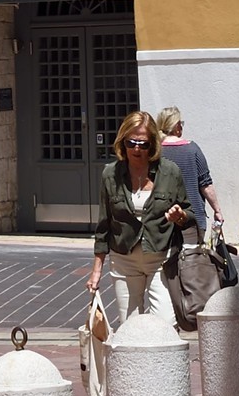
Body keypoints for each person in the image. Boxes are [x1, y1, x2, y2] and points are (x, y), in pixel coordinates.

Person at [86, 108, 187, 325]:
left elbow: (190, 213)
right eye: (132, 143)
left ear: (153, 144)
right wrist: (96, 271)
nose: (137, 149)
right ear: (123, 142)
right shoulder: (110, 174)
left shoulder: (170, 172)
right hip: (124, 260)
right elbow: (104, 225)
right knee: (130, 327)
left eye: (144, 143)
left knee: (165, 324)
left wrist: (180, 216)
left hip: (160, 258)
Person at [156, 106, 224, 243]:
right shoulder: (192, 149)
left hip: (161, 219)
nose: (181, 126)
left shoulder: (155, 151)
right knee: (192, 261)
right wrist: (217, 210)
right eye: (180, 123)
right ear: (176, 126)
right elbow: (205, 184)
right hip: (192, 218)